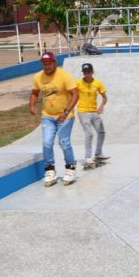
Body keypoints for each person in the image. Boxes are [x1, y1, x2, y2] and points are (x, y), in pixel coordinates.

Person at [29, 52, 79, 187]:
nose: (47, 67)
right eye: (44, 64)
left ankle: (70, 168)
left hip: (65, 116)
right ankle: (50, 170)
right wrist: (32, 105)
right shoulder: (38, 77)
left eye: (49, 64)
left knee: (64, 142)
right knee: (46, 142)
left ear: (54, 63)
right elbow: (34, 92)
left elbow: (75, 94)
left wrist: (66, 111)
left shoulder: (64, 76)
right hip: (48, 116)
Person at [76, 63, 110, 169]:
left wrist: (101, 106)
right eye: (85, 72)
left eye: (88, 72)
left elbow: (104, 97)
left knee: (101, 132)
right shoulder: (78, 83)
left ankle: (98, 153)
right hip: (83, 112)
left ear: (92, 72)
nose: (86, 74)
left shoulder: (97, 83)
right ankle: (88, 156)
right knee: (89, 134)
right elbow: (71, 94)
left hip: (94, 112)